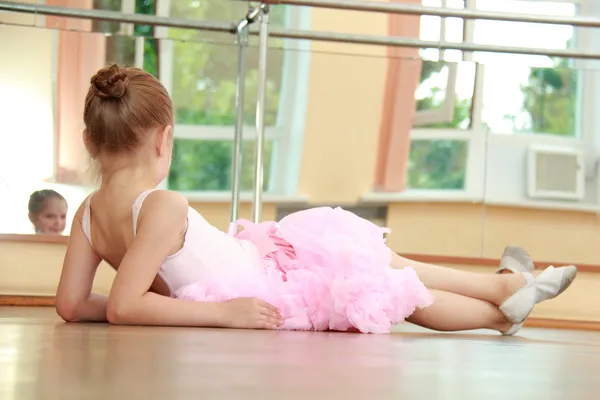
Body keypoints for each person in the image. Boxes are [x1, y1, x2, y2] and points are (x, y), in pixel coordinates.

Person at [56, 64, 577, 335]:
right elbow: (126, 305)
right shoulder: (163, 204)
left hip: (262, 262)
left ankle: (504, 292)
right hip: (266, 283)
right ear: (163, 140)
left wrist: (169, 304)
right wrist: (219, 313)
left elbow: (74, 305)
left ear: (88, 142)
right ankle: (504, 302)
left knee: (378, 264)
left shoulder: (87, 214)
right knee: (385, 284)